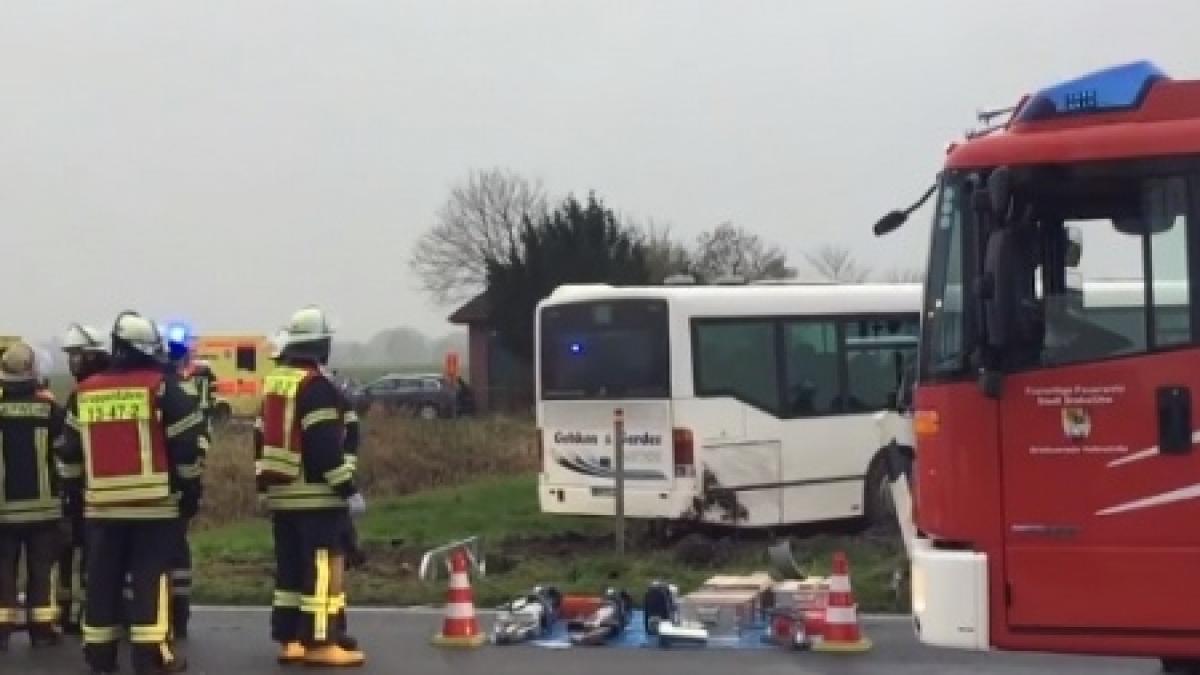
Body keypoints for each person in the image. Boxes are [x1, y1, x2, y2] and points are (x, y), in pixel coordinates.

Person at [59, 311, 206, 675]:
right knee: (150, 582)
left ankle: (100, 657)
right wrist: (189, 489)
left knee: (102, 584)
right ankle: (151, 657)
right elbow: (186, 445)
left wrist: (73, 497)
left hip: (101, 511)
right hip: (154, 508)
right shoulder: (161, 386)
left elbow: (69, 454)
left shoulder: (84, 392)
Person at [255, 306, 366, 667]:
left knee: (289, 573)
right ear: (321, 344)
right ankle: (320, 643)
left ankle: (290, 639)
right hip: (317, 497)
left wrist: (264, 489)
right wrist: (347, 488)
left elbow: (260, 439)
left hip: (282, 495)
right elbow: (322, 446)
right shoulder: (316, 386)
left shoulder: (276, 382)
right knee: (321, 571)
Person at [0, 342, 66, 651]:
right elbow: (67, 452)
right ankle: (42, 628)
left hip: (3, 510)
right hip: (44, 509)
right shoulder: (49, 408)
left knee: (3, 570)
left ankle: (2, 628)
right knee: (42, 570)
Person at [57, 323, 112, 637]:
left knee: (90, 557)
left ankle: (85, 616)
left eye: (78, 356)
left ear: (94, 356)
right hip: (98, 489)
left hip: (88, 490)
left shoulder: (87, 393)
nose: (72, 362)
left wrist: (69, 490)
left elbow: (70, 449)